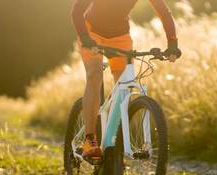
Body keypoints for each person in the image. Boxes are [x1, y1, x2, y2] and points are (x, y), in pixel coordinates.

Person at [71, 0, 181, 160]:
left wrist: (172, 43)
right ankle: (90, 139)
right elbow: (76, 10)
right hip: (91, 32)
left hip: (120, 37)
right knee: (94, 75)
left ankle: (112, 142)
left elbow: (163, 11)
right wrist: (84, 37)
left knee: (125, 87)